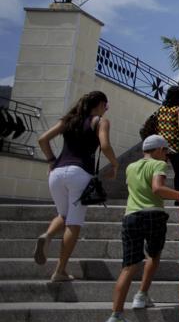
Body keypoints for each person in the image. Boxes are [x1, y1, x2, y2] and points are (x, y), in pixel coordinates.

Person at [102, 135, 179, 322]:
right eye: (165, 152)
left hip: (130, 216)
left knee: (129, 265)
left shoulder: (130, 167)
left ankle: (116, 316)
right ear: (157, 150)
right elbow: (158, 189)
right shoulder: (158, 165)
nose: (166, 157)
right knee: (153, 255)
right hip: (152, 215)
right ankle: (142, 294)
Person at [35, 91, 118, 282]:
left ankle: (47, 235)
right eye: (106, 105)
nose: (106, 109)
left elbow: (43, 139)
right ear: (99, 104)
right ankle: (60, 270)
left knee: (63, 215)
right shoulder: (100, 121)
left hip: (56, 173)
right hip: (79, 173)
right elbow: (105, 146)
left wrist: (51, 161)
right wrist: (115, 164)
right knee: (74, 223)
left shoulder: (69, 120)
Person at [156, 85, 179, 191]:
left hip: (161, 144)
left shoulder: (161, 109)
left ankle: (157, 191)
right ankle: (177, 197)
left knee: (159, 170)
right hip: (176, 145)